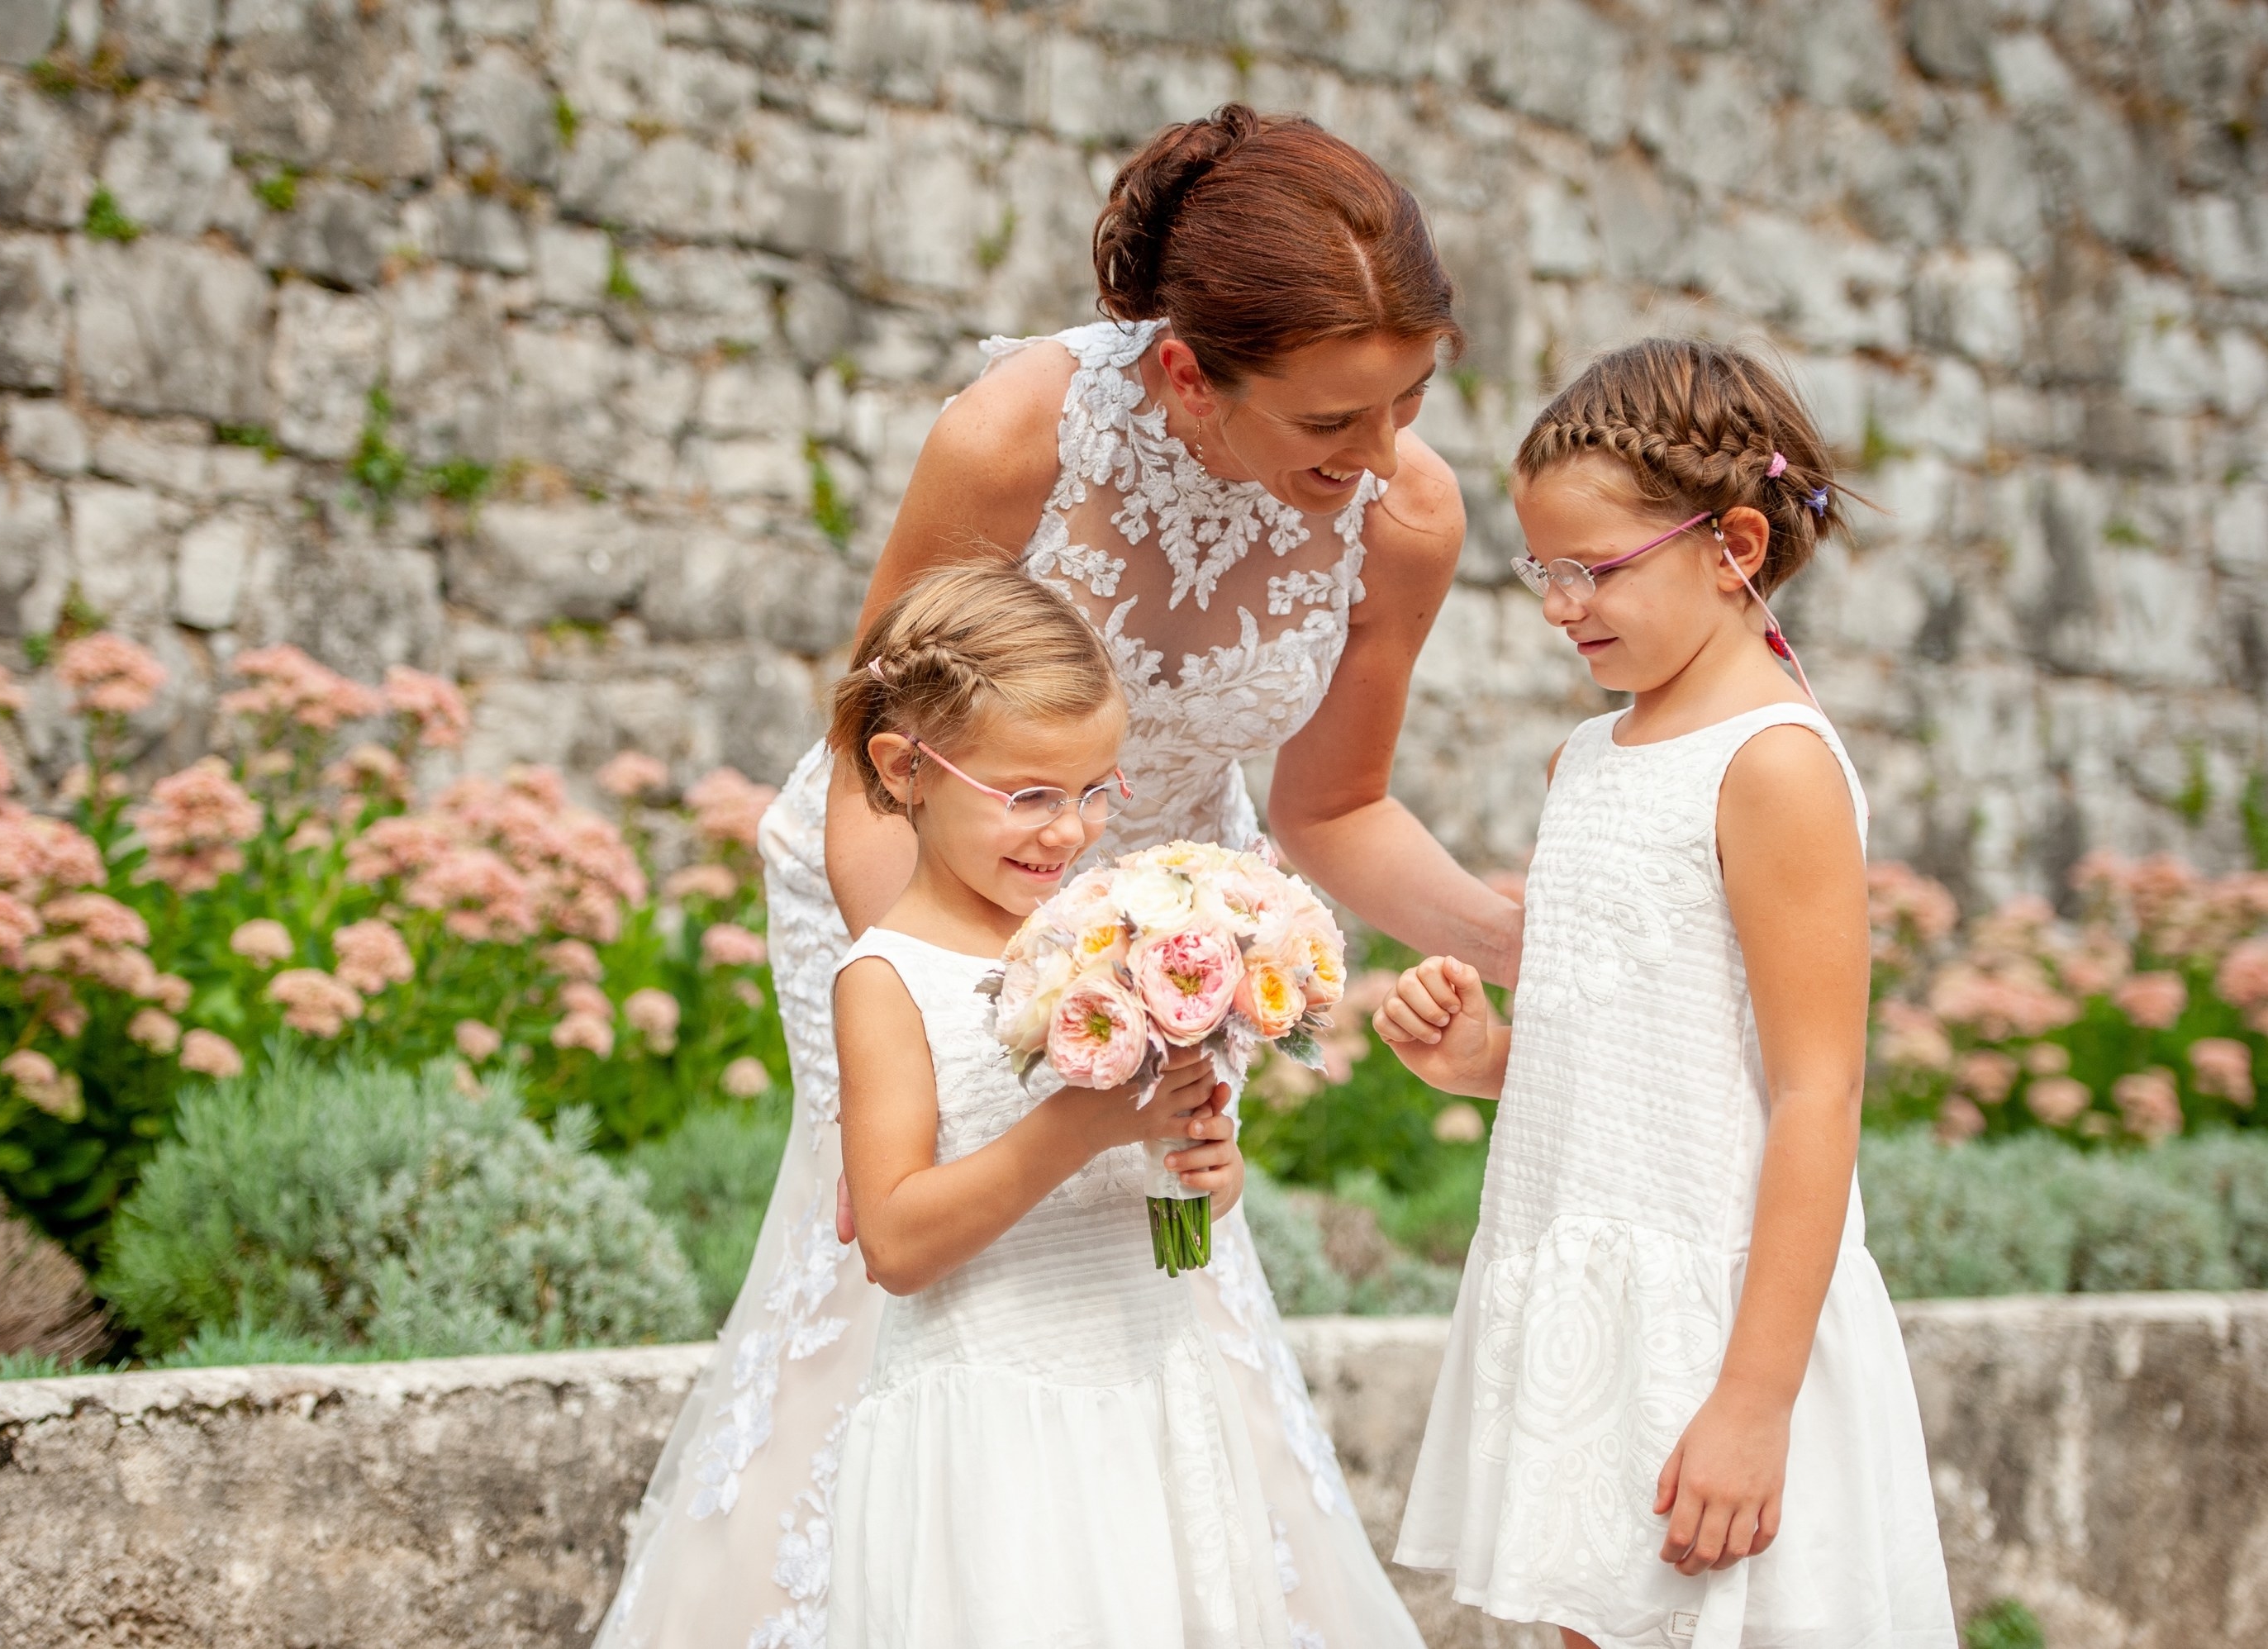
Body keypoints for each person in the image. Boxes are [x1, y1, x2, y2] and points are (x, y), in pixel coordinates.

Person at [598, 104, 1502, 1647]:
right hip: (916, 886)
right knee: (908, 1295)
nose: (1380, 462)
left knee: (1149, 1284)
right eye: (1331, 425)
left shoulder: (1402, 519)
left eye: (1409, 403)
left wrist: (1528, 938)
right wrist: (959, 1018)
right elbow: (873, 757)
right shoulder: (1015, 440)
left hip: (1153, 930)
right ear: (1184, 374)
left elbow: (1336, 808)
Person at [1374, 339, 1957, 1649]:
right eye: (1543, 572)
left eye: (1594, 570)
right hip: (1599, 1310)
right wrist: (1482, 1059)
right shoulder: (1586, 760)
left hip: (1726, 1325)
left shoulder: (1773, 766)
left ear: (1733, 544)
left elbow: (1818, 1093)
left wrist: (1753, 1403)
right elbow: (1642, 1054)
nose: (1559, 605)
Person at [825, 563, 1294, 1645]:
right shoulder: (889, 977)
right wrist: (1080, 1126)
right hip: (1003, 1429)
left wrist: (1205, 1175)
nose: (1071, 831)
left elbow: (1167, 1226)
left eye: (1095, 791)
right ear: (908, 772)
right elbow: (895, 1243)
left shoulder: (1106, 939)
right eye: (1030, 795)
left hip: (1152, 1396)